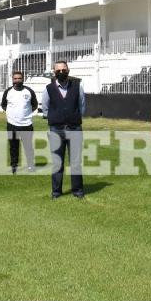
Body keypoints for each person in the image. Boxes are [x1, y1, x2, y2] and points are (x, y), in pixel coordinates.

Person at [41, 60, 85, 199]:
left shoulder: (77, 86)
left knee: (76, 161)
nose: (61, 72)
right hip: (56, 130)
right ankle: (56, 192)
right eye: (58, 70)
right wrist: (57, 118)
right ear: (54, 72)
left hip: (74, 129)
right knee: (57, 162)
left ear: (68, 70)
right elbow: (45, 108)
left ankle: (77, 191)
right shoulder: (48, 89)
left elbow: (82, 106)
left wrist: (72, 117)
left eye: (64, 70)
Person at [1, 70, 38, 174]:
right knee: (13, 147)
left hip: (26, 124)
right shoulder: (8, 91)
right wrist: (9, 114)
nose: (17, 80)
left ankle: (31, 165)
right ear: (12, 79)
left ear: (23, 79)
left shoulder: (29, 91)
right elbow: (3, 104)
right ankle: (14, 166)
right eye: (15, 78)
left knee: (28, 146)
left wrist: (26, 115)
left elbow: (34, 105)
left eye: (19, 78)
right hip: (12, 125)